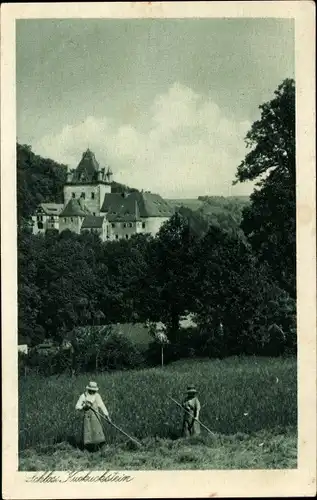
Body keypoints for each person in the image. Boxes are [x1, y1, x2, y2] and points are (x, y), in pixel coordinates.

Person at [75, 381, 111, 451]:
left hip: (96, 417)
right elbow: (77, 406)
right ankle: (88, 449)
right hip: (87, 418)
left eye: (94, 391)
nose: (92, 392)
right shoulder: (83, 396)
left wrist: (107, 416)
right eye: (91, 391)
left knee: (98, 432)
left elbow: (102, 406)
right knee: (88, 433)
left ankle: (101, 447)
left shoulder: (97, 396)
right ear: (88, 389)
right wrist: (83, 407)